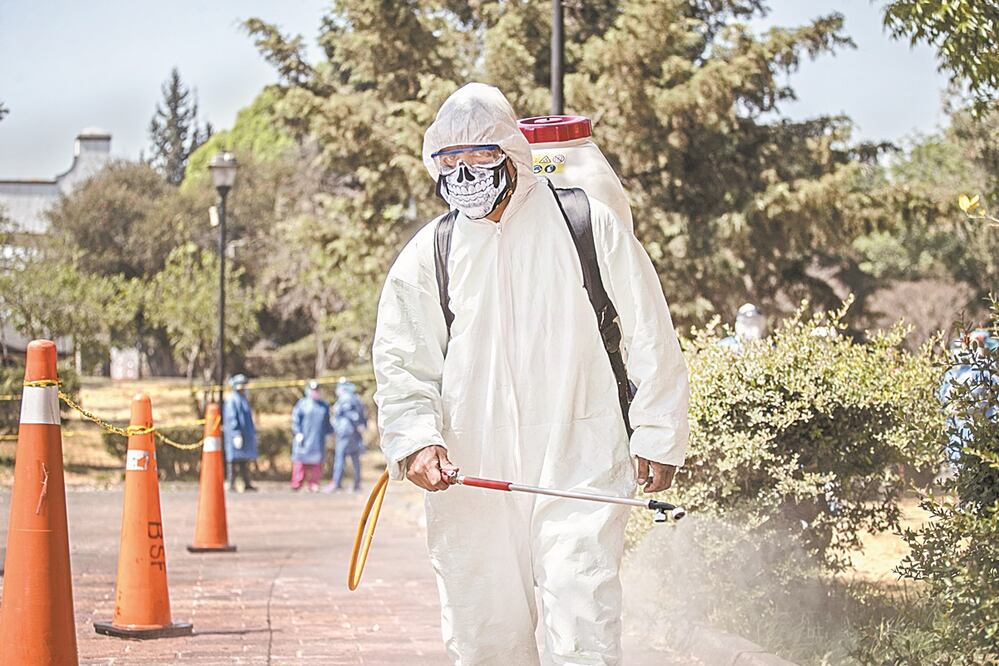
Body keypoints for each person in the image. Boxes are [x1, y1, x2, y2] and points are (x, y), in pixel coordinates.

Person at [372, 83, 689, 665]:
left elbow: (650, 332)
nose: (465, 175)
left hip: (580, 457)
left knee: (583, 622)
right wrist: (416, 440)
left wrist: (659, 433)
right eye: (451, 162)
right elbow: (402, 362)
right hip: (472, 473)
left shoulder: (581, 222)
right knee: (483, 631)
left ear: (512, 155)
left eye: (480, 159)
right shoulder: (430, 253)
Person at [291, 380, 333, 492]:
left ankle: (313, 484)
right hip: (304, 438)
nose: (315, 392)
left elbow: (327, 422)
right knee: (300, 460)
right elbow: (296, 419)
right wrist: (298, 432)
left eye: (317, 390)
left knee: (316, 463)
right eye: (313, 390)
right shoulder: (302, 404)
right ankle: (297, 483)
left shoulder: (324, 406)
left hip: (318, 440)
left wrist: (329, 434)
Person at [327, 378, 367, 493]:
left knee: (340, 458)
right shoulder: (355, 398)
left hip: (346, 432)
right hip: (353, 433)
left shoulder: (346, 398)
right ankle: (357, 484)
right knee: (355, 458)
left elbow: (351, 415)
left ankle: (336, 483)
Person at [223, 374, 258, 492]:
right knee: (233, 460)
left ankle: (246, 483)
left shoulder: (243, 399)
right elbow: (232, 417)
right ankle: (231, 482)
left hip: (245, 434)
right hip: (236, 434)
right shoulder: (232, 400)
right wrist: (235, 433)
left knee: (244, 460)